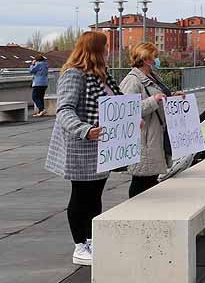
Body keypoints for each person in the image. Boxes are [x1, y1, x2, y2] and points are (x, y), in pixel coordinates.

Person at [44, 32, 121, 266]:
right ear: (95, 50)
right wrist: (84, 129)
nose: (109, 51)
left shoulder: (102, 75)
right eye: (105, 48)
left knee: (95, 194)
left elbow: (120, 103)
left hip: (100, 145)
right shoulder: (74, 75)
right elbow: (65, 110)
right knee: (81, 195)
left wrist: (134, 117)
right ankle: (80, 245)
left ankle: (91, 239)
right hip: (81, 145)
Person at [120, 43, 184, 198]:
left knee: (149, 180)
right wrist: (153, 100)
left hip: (155, 135)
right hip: (145, 139)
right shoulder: (133, 80)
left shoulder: (153, 77)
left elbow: (159, 98)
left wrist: (172, 97)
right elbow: (126, 110)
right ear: (145, 58)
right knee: (142, 181)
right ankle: (135, 213)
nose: (157, 59)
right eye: (155, 56)